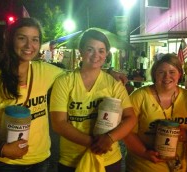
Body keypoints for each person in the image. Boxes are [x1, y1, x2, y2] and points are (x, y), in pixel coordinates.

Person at [0, 17, 128, 172]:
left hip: (41, 160)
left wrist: (108, 71)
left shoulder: (45, 71)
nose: (29, 45)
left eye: (35, 39)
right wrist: (1, 148)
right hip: (5, 163)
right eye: (22, 38)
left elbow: (81, 73)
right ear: (10, 40)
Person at [49, 29, 137, 172]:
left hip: (108, 159)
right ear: (81, 51)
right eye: (90, 49)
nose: (96, 55)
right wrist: (95, 142)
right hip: (72, 160)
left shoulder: (113, 83)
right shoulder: (64, 82)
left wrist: (109, 139)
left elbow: (130, 118)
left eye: (101, 51)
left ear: (106, 54)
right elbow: (59, 123)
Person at [124, 53, 187, 172]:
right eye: (161, 72)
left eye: (172, 72)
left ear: (180, 74)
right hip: (143, 167)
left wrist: (185, 135)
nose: (167, 77)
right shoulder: (139, 96)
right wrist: (145, 152)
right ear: (154, 75)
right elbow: (126, 132)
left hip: (178, 167)